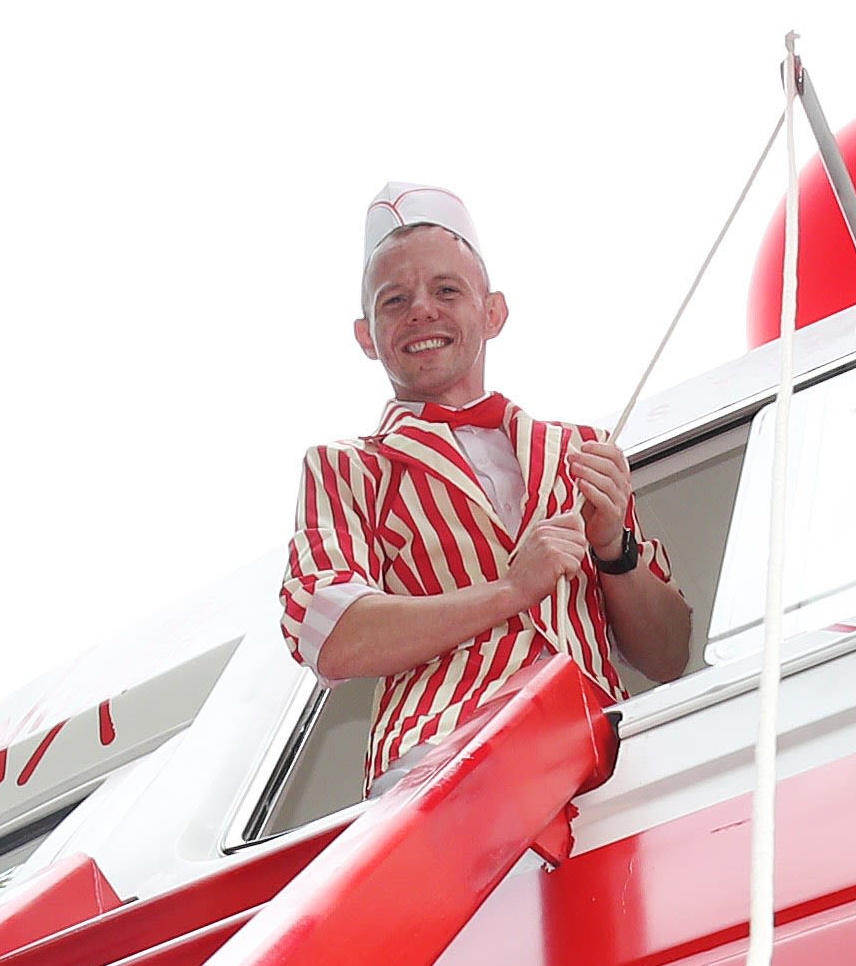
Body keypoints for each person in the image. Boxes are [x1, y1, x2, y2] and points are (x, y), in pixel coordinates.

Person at [278, 182, 698, 774]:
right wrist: (509, 592)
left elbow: (668, 655)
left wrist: (614, 552)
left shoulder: (582, 449)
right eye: (394, 300)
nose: (422, 309)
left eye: (446, 289)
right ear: (367, 337)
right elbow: (329, 632)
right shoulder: (346, 466)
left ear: (493, 312)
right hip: (442, 759)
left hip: (605, 752)